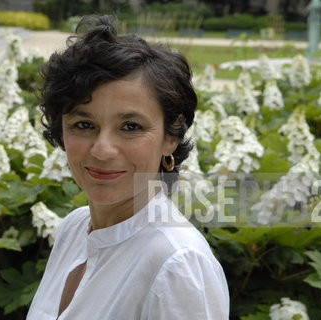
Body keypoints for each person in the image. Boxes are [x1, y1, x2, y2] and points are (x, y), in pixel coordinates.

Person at [26, 15, 229, 320]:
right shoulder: (74, 228)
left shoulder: (177, 263)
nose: (103, 150)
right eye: (84, 124)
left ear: (170, 138)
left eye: (131, 126)